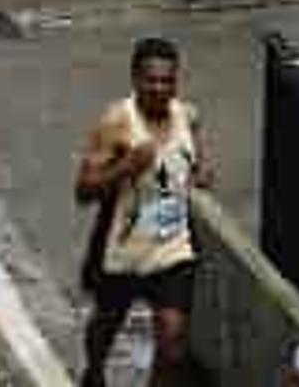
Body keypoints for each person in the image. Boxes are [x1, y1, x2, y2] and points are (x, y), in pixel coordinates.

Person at [74, 36, 205, 387]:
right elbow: (83, 191)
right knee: (106, 324)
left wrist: (200, 173)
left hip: (172, 246)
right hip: (124, 248)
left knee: (173, 338)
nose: (160, 89)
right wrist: (126, 167)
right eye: (152, 80)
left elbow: (193, 161)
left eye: (168, 81)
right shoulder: (116, 122)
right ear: (135, 80)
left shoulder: (187, 116)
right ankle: (95, 372)